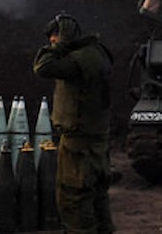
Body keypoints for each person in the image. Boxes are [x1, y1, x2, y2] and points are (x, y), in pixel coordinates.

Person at [33, 13, 116, 234]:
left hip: (79, 144)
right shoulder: (96, 53)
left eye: (54, 37)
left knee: (73, 199)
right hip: (96, 140)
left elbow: (42, 67)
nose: (52, 42)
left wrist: (62, 45)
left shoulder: (79, 59)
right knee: (97, 198)